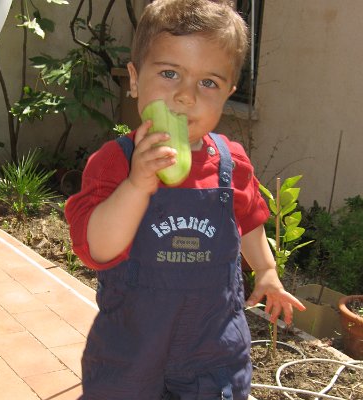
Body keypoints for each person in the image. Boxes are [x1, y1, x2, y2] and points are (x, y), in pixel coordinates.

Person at [65, 1, 306, 399]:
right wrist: (136, 186)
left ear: (228, 93)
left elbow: (248, 220)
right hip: (131, 351)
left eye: (208, 83)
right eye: (169, 73)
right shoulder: (115, 163)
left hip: (213, 352)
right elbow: (97, 250)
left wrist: (265, 270)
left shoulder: (231, 162)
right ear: (135, 79)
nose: (185, 96)